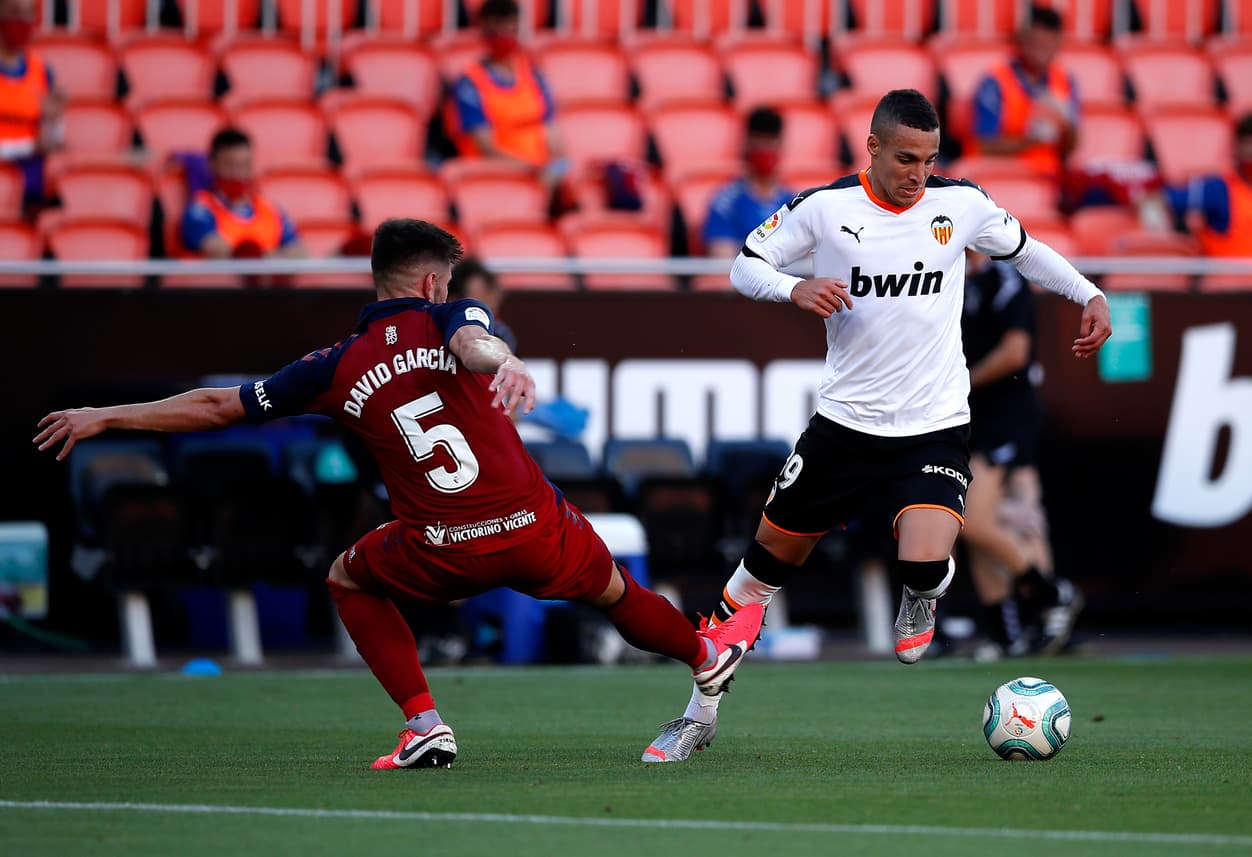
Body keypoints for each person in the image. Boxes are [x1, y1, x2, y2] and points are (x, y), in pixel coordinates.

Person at [34, 218, 762, 771]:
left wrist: (107, 416)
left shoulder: (333, 364)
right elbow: (475, 342)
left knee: (348, 576)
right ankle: (702, 652)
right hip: (533, 529)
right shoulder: (453, 317)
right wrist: (506, 360)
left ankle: (424, 724)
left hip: (440, 550)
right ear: (436, 283)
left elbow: (218, 405)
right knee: (614, 590)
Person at [643, 89, 1110, 762]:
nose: (919, 173)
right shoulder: (826, 209)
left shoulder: (961, 204)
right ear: (873, 148)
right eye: (905, 158)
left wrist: (1089, 293)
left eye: (929, 159)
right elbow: (745, 265)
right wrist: (794, 287)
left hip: (933, 427)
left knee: (924, 561)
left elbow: (1027, 251)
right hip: (844, 428)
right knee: (755, 577)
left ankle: (922, 594)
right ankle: (697, 716)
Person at [959, 249, 1082, 659]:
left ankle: (1051, 596)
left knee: (978, 520)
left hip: (1004, 420)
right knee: (990, 525)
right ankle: (1006, 633)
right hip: (969, 420)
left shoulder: (1004, 281)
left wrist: (961, 383)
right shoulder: (951, 276)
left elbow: (1015, 352)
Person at [447, 0, 570, 193]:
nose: (503, 36)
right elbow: (486, 148)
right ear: (483, 31)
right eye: (496, 30)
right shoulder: (469, 83)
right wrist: (533, 171)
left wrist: (557, 168)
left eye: (509, 29)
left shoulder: (533, 76)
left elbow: (553, 135)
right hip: (491, 180)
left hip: (541, 179)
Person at [969, 4, 1078, 180]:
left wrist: (1066, 126)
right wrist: (1032, 139)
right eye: (1036, 44)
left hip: (1049, 178)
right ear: (1022, 38)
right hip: (1001, 177)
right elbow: (985, 146)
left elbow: (1071, 147)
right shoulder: (995, 81)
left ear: (1058, 42)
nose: (1040, 52)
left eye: (1047, 45)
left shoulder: (1065, 81)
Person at [1163, 112, 1252, 258]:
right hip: (1227, 271)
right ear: (1237, 150)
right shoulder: (1218, 189)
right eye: (1251, 147)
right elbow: (1164, 198)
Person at [181, 128, 305, 259]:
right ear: (212, 164)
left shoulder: (270, 210)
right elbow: (219, 251)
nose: (238, 173)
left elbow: (300, 252)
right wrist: (276, 257)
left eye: (245, 165)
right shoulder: (200, 211)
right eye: (230, 165)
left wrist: (259, 256)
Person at [702, 107, 795, 258]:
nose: (765, 147)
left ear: (780, 143)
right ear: (746, 142)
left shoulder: (792, 202)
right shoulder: (726, 203)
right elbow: (722, 260)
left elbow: (807, 259)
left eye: (771, 139)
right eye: (759, 139)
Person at [0, 0, 63, 213]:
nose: (22, 21)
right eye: (15, 13)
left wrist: (53, 122)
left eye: (28, 14)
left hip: (30, 177)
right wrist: (26, 148)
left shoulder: (41, 69)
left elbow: (51, 141)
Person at [448, 257, 517, 353]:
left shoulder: (501, 332)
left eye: (490, 293)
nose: (492, 299)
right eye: (484, 294)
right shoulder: (442, 333)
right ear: (454, 299)